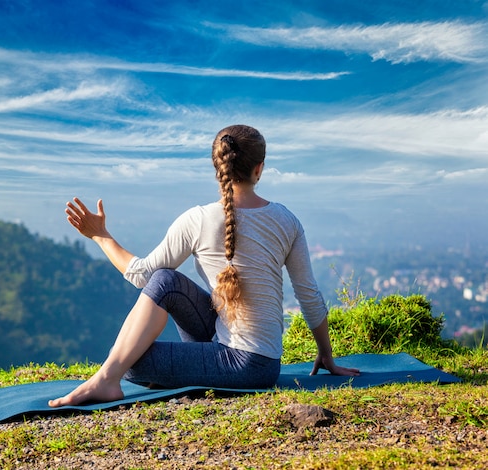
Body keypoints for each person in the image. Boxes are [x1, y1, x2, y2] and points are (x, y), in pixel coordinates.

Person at [48, 124, 359, 408]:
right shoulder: (286, 220)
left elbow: (139, 274)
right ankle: (113, 377)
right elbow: (309, 295)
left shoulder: (197, 219)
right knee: (166, 281)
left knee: (130, 361)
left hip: (246, 365)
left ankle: (107, 379)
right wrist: (327, 356)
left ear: (217, 167)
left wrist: (101, 237)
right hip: (263, 360)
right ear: (259, 169)